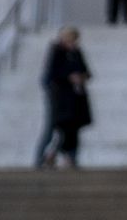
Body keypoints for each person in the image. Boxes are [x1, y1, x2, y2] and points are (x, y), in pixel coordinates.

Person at [34, 28, 92, 169]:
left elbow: (87, 71)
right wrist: (68, 77)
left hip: (74, 99)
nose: (73, 42)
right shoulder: (57, 52)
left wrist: (81, 76)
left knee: (71, 129)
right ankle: (42, 158)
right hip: (58, 98)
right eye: (71, 39)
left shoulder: (76, 52)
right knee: (52, 128)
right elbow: (50, 75)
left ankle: (69, 158)